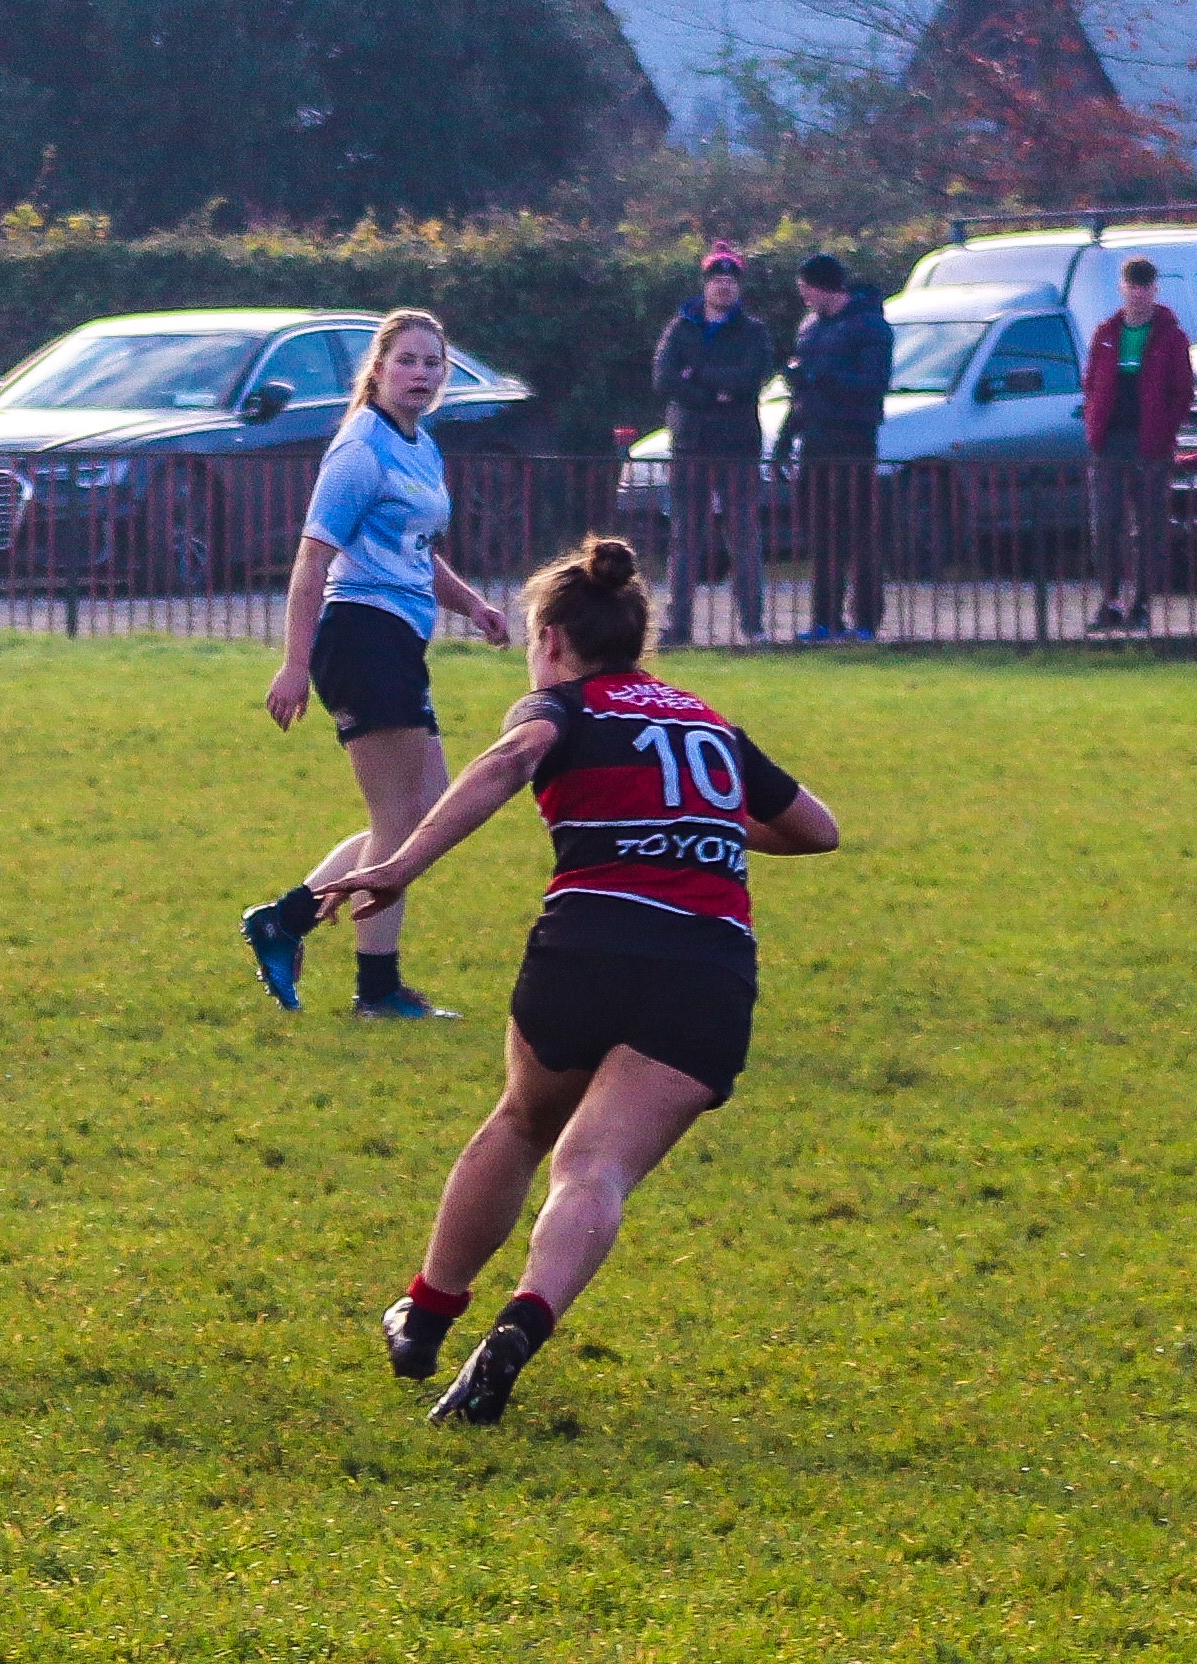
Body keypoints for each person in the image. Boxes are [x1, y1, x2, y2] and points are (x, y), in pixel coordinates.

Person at [313, 535, 838, 1425]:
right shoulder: (708, 722)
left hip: (589, 946)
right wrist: (695, 821)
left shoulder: (561, 705)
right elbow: (817, 829)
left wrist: (401, 865)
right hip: (707, 968)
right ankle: (522, 1323)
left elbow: (507, 761)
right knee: (594, 1170)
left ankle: (427, 1313)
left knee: (522, 1123)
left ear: (551, 639)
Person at [241, 309, 511, 1020]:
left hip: (395, 640)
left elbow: (417, 551)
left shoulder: (420, 445)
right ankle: (376, 990)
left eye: (432, 362)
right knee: (400, 820)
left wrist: (472, 606)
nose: (421, 373)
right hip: (360, 638)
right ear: (379, 368)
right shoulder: (360, 450)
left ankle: (285, 921)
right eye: (407, 360)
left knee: (424, 814)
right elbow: (311, 562)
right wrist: (293, 665)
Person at [652, 242, 775, 645]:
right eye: (717, 280)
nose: (724, 286)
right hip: (690, 444)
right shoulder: (679, 328)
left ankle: (753, 627)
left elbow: (750, 377)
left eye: (731, 280)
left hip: (738, 446)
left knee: (744, 537)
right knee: (684, 538)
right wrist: (712, 395)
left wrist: (698, 374)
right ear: (705, 284)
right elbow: (664, 379)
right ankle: (678, 627)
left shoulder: (754, 332)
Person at [779, 252, 892, 642]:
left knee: (859, 533)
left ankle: (865, 620)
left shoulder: (870, 326)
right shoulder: (810, 327)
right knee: (821, 534)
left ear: (820, 286)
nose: (803, 297)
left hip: (853, 441)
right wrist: (786, 435)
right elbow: (803, 391)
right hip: (815, 441)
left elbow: (873, 384)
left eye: (805, 288)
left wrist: (822, 376)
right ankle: (825, 620)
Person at [1081, 257, 1195, 632]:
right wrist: (1095, 424)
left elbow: (1183, 392)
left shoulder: (1171, 337)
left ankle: (1142, 602)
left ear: (1154, 289)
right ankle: (1110, 600)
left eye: (1145, 286)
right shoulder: (1106, 333)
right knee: (1105, 523)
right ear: (1122, 288)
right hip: (1109, 442)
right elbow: (1092, 384)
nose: (1138, 293)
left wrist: (1163, 431)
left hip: (1151, 445)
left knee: (1149, 527)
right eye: (1133, 285)